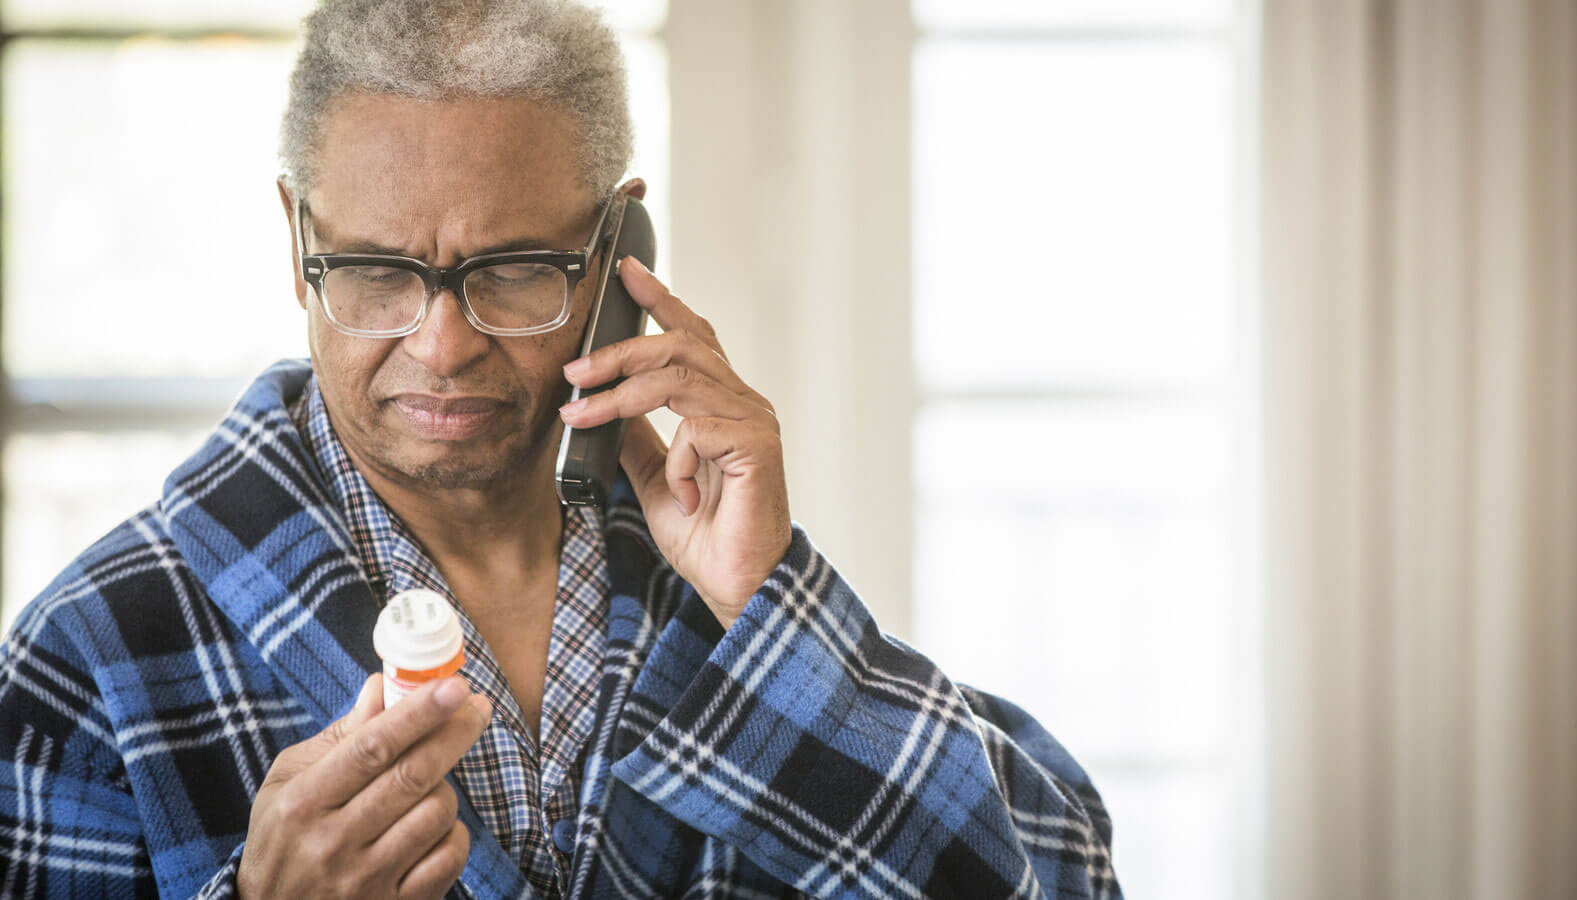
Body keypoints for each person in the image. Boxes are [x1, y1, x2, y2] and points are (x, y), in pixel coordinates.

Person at [0, 1, 1121, 897]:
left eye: (514, 270)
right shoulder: (94, 653)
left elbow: (1062, 876)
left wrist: (776, 607)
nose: (441, 346)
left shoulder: (723, 597)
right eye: (378, 271)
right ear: (299, 246)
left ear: (616, 244)